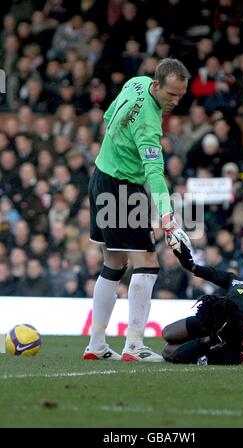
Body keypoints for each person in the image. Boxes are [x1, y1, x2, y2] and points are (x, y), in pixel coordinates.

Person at [84, 58, 191, 362]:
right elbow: (155, 173)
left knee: (114, 263)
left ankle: (96, 344)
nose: (175, 101)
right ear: (157, 85)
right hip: (122, 189)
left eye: (180, 95)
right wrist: (168, 218)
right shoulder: (149, 124)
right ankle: (134, 345)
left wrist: (118, 147)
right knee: (147, 262)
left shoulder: (135, 83)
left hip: (100, 177)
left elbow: (108, 116)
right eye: (171, 94)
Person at [162, 242, 243, 366]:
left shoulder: (231, 351)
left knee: (168, 352)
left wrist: (205, 340)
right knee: (167, 333)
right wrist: (192, 267)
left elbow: (178, 356)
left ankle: (200, 337)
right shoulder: (239, 292)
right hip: (223, 327)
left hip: (224, 338)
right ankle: (200, 334)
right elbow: (228, 277)